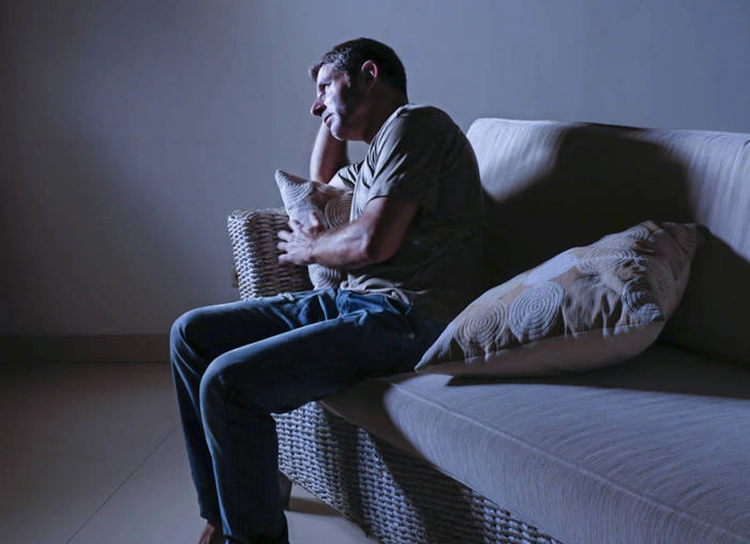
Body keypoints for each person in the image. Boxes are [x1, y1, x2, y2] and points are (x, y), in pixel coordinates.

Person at [171, 37, 484, 544]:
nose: (314, 104)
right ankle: (223, 518)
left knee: (228, 384)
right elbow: (323, 177)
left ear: (368, 75)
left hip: (407, 317)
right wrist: (331, 105)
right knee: (192, 334)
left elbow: (374, 241)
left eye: (323, 88)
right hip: (352, 305)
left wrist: (313, 248)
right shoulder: (382, 149)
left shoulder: (417, 125)